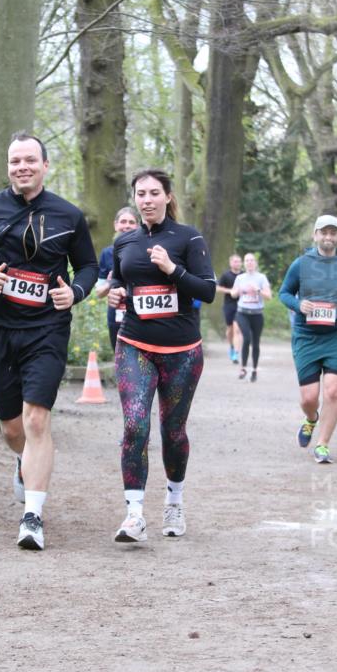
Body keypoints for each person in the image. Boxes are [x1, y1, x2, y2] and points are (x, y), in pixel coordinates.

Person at [0, 131, 98, 550]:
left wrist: (76, 292)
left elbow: (88, 266)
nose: (22, 168)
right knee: (13, 428)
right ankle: (21, 461)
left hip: (46, 329)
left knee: (36, 420)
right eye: (15, 162)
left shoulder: (68, 215)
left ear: (45, 165)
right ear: (8, 167)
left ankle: (32, 516)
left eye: (30, 160)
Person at [107, 168, 216, 543]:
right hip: (134, 344)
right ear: (134, 199)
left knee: (173, 431)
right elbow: (121, 282)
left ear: (168, 197)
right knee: (135, 424)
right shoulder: (125, 242)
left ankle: (174, 499)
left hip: (182, 351)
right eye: (141, 194)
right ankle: (134, 515)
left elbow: (208, 290)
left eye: (154, 193)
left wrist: (173, 269)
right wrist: (116, 293)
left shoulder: (189, 238)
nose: (147, 200)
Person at [278, 215, 337, 463]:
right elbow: (284, 293)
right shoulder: (301, 264)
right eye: (323, 232)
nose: (328, 237)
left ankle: (323, 445)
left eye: (333, 233)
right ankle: (311, 418)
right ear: (315, 235)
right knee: (309, 398)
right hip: (306, 337)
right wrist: (298, 304)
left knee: (332, 391)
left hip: (336, 337)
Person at [95, 207, 138, 350]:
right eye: (123, 221)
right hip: (116, 313)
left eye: (131, 222)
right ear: (115, 225)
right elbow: (99, 292)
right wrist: (110, 282)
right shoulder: (107, 253)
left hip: (140, 311)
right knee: (120, 358)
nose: (127, 225)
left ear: (138, 226)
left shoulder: (144, 250)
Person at [230, 252, 271, 383]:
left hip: (257, 314)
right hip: (242, 313)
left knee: (256, 342)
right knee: (246, 338)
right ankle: (243, 368)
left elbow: (269, 296)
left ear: (255, 263)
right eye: (247, 260)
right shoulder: (240, 278)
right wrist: (237, 291)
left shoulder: (261, 277)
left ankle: (254, 369)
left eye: (252, 260)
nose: (249, 263)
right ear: (244, 263)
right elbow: (233, 294)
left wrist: (258, 290)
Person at [216, 254, 243, 363]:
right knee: (230, 330)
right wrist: (230, 291)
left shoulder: (243, 275)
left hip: (242, 305)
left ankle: (236, 353)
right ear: (231, 263)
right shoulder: (226, 275)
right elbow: (217, 288)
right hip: (229, 305)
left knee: (237, 329)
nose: (237, 263)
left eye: (239, 261)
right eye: (235, 261)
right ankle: (231, 346)